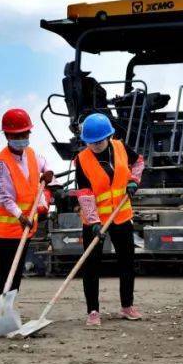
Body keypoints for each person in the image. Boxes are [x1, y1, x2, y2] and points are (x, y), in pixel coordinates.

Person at [75, 112, 145, 326]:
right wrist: (94, 222)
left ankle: (127, 306)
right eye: (91, 142)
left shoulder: (121, 148)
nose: (95, 145)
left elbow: (139, 162)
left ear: (108, 136)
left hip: (121, 215)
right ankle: (93, 311)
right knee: (92, 266)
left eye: (99, 141)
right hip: (94, 222)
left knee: (127, 262)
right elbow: (85, 193)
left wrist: (134, 180)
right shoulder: (82, 159)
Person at [0, 108, 54, 298]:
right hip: (6, 229)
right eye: (17, 135)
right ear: (7, 135)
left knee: (16, 273)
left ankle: (10, 305)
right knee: (8, 270)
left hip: (25, 226)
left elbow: (43, 162)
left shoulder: (31, 153)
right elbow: (4, 198)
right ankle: (3, 306)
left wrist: (48, 171)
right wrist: (20, 216)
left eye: (25, 133)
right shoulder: (1, 163)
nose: (22, 137)